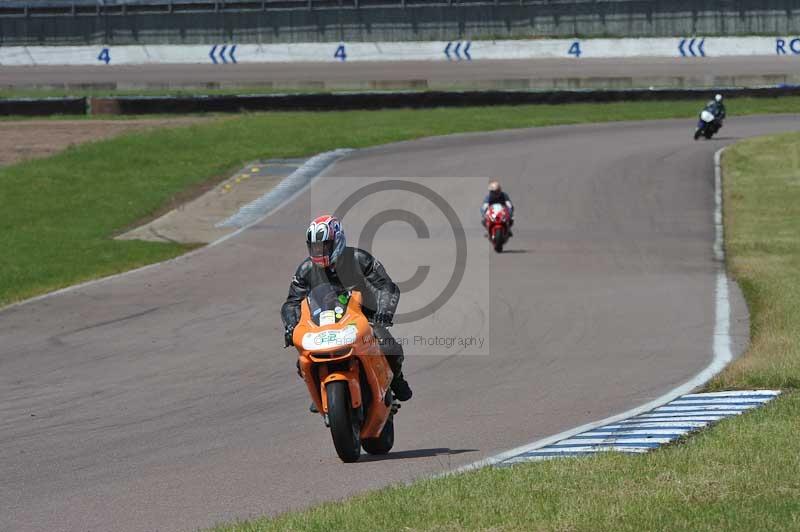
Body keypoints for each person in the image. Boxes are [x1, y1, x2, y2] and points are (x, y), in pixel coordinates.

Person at [281, 214, 413, 402]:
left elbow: (386, 286)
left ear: (337, 241)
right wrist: (290, 326)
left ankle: (396, 380)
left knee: (388, 346)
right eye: (315, 247)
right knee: (303, 360)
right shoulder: (305, 270)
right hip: (322, 325)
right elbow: (292, 302)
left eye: (324, 246)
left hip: (362, 319)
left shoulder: (360, 259)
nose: (320, 251)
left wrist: (384, 311)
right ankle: (321, 390)